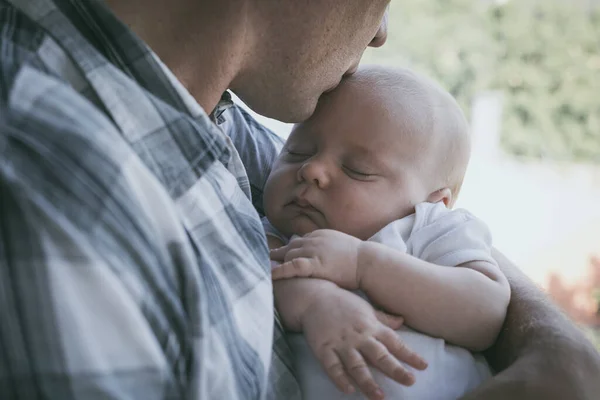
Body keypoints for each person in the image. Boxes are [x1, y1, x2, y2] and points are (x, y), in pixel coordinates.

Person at [0, 0, 598, 399]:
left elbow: (446, 250)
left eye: (356, 169)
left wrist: (558, 349)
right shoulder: (49, 186)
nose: (380, 29)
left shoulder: (215, 116)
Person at [262, 65, 510, 399]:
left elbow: (486, 313)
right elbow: (266, 277)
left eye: (357, 170)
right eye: (297, 152)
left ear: (433, 200)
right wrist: (316, 301)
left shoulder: (427, 228)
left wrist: (363, 264)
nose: (312, 170)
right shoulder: (273, 231)